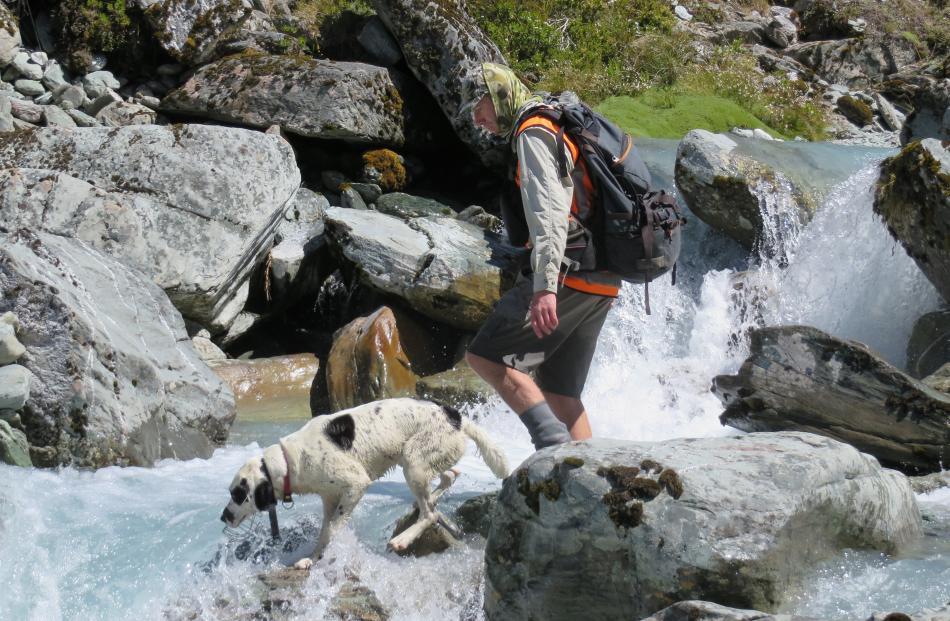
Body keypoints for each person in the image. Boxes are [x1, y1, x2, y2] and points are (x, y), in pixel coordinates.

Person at [464, 63, 622, 451]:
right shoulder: (556, 123)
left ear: (499, 94)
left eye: (478, 103)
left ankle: (550, 454)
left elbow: (549, 214)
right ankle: (591, 475)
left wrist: (544, 287)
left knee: (485, 357)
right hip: (602, 278)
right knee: (561, 393)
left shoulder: (533, 132)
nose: (477, 118)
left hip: (568, 272)